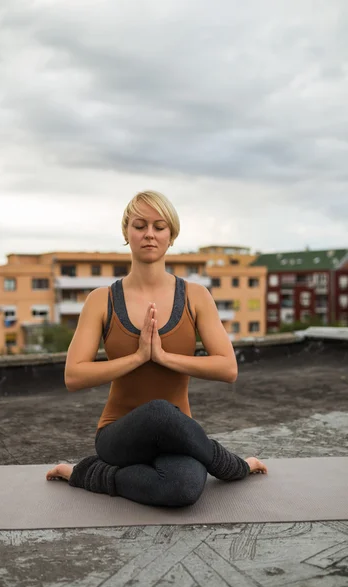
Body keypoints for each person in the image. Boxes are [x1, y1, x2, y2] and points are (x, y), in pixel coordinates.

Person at [46, 191, 267, 507]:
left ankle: (85, 473)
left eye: (159, 226)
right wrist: (137, 358)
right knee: (160, 410)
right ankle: (235, 466)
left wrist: (164, 357)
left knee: (184, 490)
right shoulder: (101, 300)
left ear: (171, 235)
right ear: (126, 232)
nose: (149, 234)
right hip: (119, 436)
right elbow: (74, 376)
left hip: (177, 437)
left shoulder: (195, 296)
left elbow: (228, 369)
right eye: (140, 225)